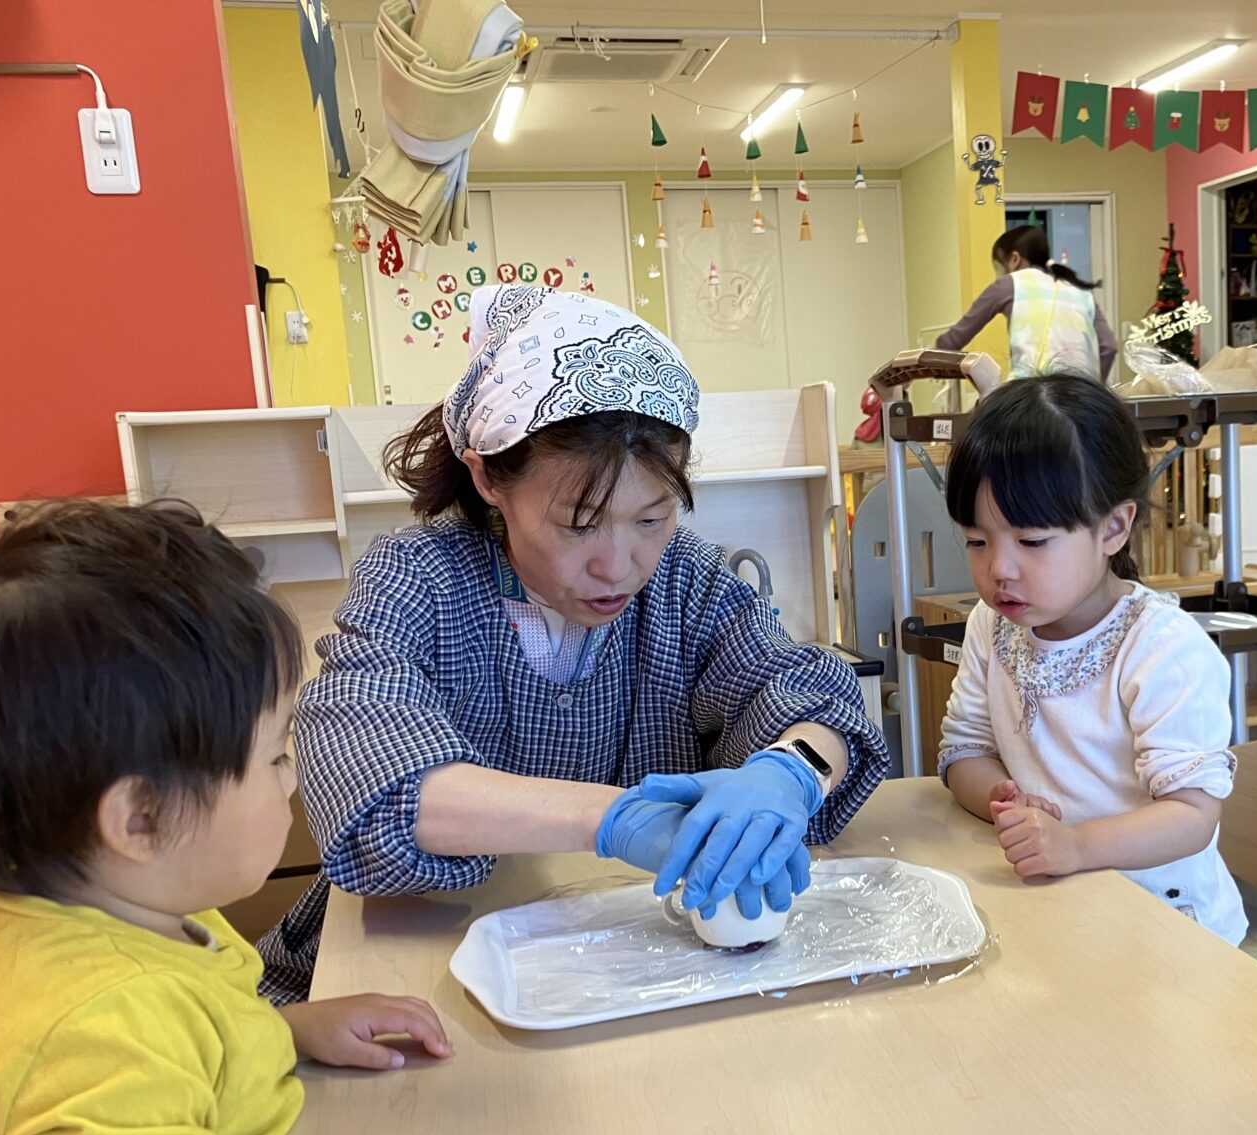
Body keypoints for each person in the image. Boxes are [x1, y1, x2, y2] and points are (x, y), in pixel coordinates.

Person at [0, 502, 451, 1135]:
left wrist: (287, 1029)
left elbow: (187, 1053)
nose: (292, 780)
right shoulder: (108, 1035)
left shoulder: (81, 918)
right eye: (275, 756)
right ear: (140, 820)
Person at [259, 286, 889, 1003]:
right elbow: (370, 778)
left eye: (651, 519)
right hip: (407, 975)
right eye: (579, 525)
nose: (619, 567)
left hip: (629, 964)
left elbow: (809, 694)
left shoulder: (686, 581)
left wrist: (792, 770)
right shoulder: (417, 579)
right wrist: (616, 820)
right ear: (488, 476)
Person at [935, 375, 1246, 945]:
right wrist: (1002, 797)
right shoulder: (992, 624)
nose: (999, 568)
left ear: (1113, 528)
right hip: (1061, 907)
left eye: (1031, 541)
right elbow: (965, 751)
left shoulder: (1162, 648)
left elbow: (1191, 816)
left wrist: (1076, 845)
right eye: (977, 541)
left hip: (1169, 932)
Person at [935, 225, 1119, 381]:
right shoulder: (1080, 291)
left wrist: (924, 361)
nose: (998, 276)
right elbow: (1109, 347)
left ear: (1014, 259)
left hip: (1032, 394)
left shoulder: (1009, 284)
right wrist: (1094, 386)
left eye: (998, 268)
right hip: (1082, 395)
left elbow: (952, 341)